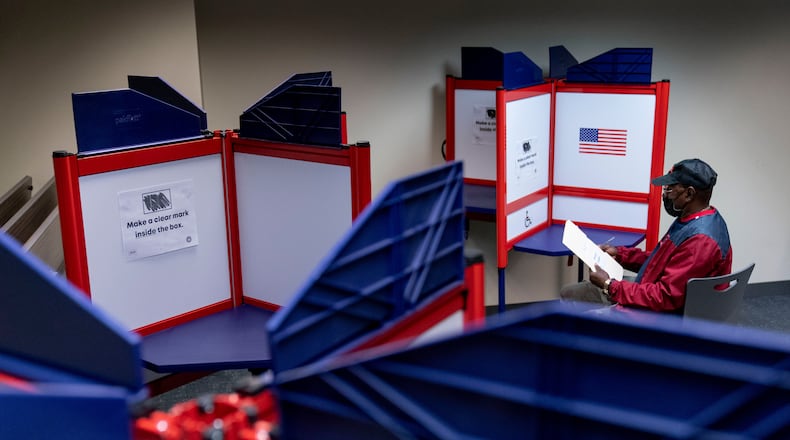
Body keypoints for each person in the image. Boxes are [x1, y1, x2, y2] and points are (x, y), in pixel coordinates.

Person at [559, 158, 732, 314]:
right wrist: (620, 254)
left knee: (579, 319)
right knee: (570, 293)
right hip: (658, 295)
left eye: (672, 188)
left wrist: (609, 285)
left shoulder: (701, 241)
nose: (666, 193)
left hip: (663, 314)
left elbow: (664, 297)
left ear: (689, 194)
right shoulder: (696, 218)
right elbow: (662, 260)